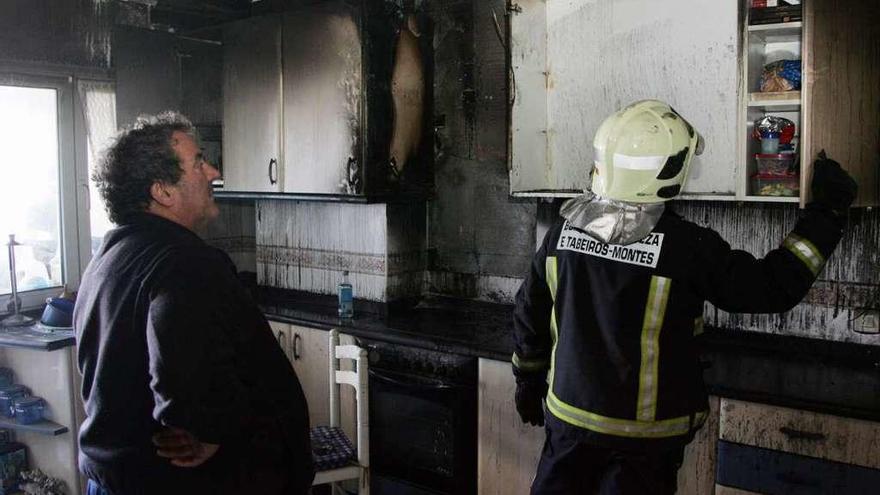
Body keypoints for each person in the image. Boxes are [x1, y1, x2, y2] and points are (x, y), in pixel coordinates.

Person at [512, 100, 857, 495]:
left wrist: (527, 377)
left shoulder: (563, 233)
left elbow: (529, 312)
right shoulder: (687, 248)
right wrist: (826, 215)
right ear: (671, 171)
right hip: (643, 444)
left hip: (568, 427)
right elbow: (771, 287)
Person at [73, 112, 314, 495]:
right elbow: (181, 366)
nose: (214, 171)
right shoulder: (184, 262)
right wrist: (210, 430)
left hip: (114, 479)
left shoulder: (109, 255)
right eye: (199, 162)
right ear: (163, 192)